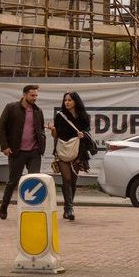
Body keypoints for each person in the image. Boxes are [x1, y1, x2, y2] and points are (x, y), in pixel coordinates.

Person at [0, 84, 46, 220]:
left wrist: (42, 145)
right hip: (17, 152)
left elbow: (41, 129)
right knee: (13, 181)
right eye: (32, 95)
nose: (35, 98)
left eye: (36, 95)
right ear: (24, 95)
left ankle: (32, 210)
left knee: (34, 181)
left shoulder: (38, 111)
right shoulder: (11, 108)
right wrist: (5, 147)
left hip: (34, 152)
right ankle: (4, 206)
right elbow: (1, 129)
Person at [52, 91, 90, 221]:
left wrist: (83, 135)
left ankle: (68, 207)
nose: (67, 102)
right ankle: (69, 209)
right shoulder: (60, 116)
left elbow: (87, 133)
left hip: (78, 152)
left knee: (73, 181)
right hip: (63, 150)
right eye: (65, 100)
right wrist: (53, 131)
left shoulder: (84, 116)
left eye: (69, 100)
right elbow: (56, 135)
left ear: (75, 101)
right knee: (66, 179)